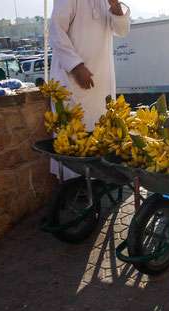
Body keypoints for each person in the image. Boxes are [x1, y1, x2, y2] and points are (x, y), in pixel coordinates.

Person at [49, 0, 130, 179]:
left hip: (101, 83)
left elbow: (122, 31)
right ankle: (73, 187)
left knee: (100, 133)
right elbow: (55, 32)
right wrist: (76, 67)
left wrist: (115, 6)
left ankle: (97, 181)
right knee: (73, 137)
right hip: (73, 79)